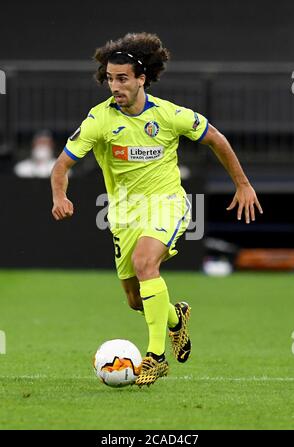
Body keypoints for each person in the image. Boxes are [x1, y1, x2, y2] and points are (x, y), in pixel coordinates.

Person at [50, 32, 263, 387]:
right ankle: (176, 319)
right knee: (136, 300)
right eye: (110, 78)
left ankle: (156, 357)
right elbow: (61, 166)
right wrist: (60, 196)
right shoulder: (99, 120)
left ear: (141, 79)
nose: (114, 86)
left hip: (167, 204)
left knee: (145, 263)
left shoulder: (169, 115)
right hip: (122, 214)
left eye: (122, 79)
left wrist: (242, 183)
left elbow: (216, 139)